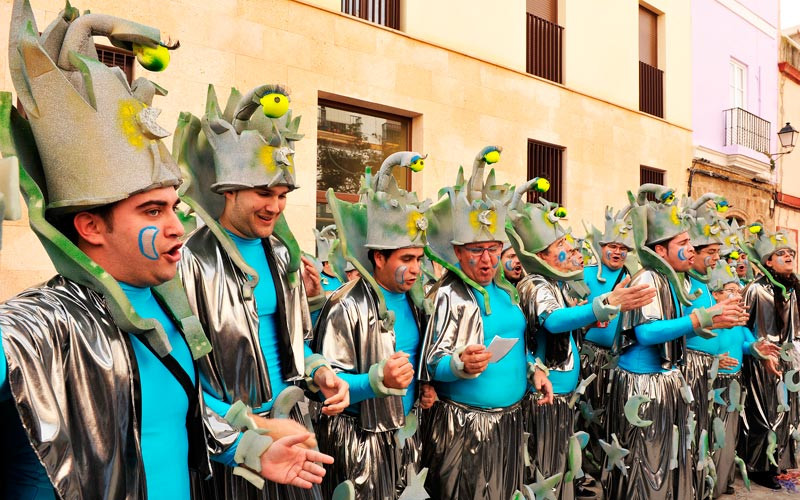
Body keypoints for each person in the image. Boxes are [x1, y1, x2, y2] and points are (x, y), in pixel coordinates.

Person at [0, 5, 331, 499]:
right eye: (153, 212)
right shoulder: (41, 325)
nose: (178, 228)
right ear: (91, 226)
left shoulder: (163, 306)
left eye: (175, 207)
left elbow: (181, 411)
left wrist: (249, 447)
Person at [175, 84, 348, 499]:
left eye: (283, 195)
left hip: (294, 431)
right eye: (264, 193)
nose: (275, 206)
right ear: (228, 191)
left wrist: (322, 371)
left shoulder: (283, 255)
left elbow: (298, 344)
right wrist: (250, 427)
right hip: (232, 446)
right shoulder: (189, 261)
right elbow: (181, 378)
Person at [419, 147, 554, 499]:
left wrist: (534, 371)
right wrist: (459, 364)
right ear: (457, 252)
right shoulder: (447, 295)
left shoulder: (507, 293)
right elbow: (431, 364)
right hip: (464, 426)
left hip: (509, 422)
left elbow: (518, 347)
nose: (487, 259)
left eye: (494, 248)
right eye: (477, 250)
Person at [508, 181, 655, 500]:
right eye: (560, 243)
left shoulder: (556, 284)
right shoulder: (535, 283)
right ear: (542, 254)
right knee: (542, 472)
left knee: (557, 468)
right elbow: (554, 321)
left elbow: (566, 330)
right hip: (544, 397)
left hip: (561, 396)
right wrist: (602, 305)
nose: (569, 248)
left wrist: (591, 321)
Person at [313, 152, 437, 498]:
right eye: (406, 259)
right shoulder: (345, 304)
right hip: (360, 441)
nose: (415, 269)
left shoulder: (416, 300)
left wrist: (425, 384)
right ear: (379, 257)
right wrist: (376, 381)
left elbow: (418, 356)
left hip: (408, 432)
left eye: (419, 259)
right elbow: (328, 387)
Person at [607, 185, 743, 500]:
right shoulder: (647, 279)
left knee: (662, 464)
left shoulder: (670, 281)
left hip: (664, 382)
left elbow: (674, 332)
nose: (692, 251)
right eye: (684, 244)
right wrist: (700, 319)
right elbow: (647, 333)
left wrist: (712, 322)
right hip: (643, 388)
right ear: (660, 251)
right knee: (645, 465)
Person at [704, 262, 779, 497]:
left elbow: (746, 343)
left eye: (738, 290)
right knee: (713, 435)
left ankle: (723, 479)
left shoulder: (738, 319)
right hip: (713, 384)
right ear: (715, 294)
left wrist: (758, 348)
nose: (737, 295)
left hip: (734, 384)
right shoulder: (708, 320)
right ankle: (708, 484)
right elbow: (696, 347)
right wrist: (713, 359)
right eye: (730, 290)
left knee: (729, 437)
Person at [738, 226, 800, 489]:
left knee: (786, 414)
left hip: (789, 359)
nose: (788, 257)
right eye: (781, 253)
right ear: (768, 261)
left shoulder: (794, 289)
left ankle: (779, 462)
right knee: (764, 414)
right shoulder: (755, 289)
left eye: (791, 253)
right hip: (762, 361)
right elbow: (740, 324)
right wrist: (756, 348)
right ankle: (759, 467)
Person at [580, 206, 637, 481]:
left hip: (618, 359)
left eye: (623, 248)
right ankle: (582, 471)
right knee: (584, 415)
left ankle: (605, 470)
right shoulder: (583, 274)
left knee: (610, 415)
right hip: (586, 356)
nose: (617, 252)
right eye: (613, 246)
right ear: (601, 247)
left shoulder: (633, 278)